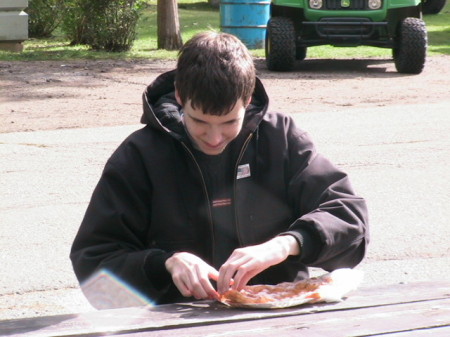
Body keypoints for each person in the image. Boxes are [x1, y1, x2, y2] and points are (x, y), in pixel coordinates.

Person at [70, 31, 369, 307]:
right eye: (199, 121)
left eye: (229, 123)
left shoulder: (282, 138)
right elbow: (93, 263)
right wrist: (164, 263)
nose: (214, 138)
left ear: (248, 99)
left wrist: (287, 244)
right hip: (175, 321)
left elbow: (350, 218)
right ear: (179, 97)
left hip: (280, 315)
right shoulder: (140, 155)